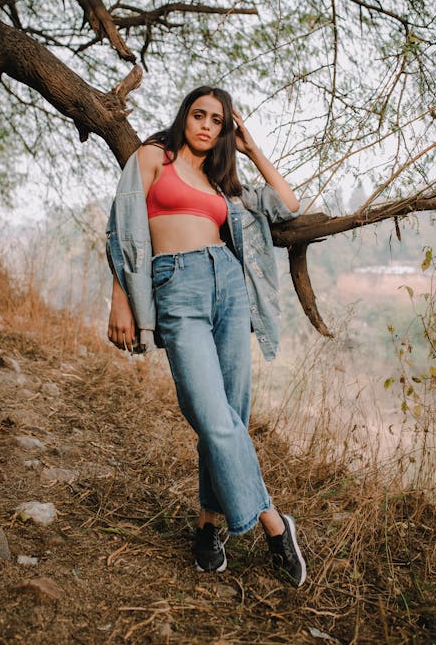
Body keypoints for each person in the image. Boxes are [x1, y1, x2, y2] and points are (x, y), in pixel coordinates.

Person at [106, 86, 306, 586]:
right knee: (214, 418)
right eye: (200, 115)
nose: (207, 126)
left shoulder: (225, 186)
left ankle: (208, 525)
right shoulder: (154, 157)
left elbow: (288, 206)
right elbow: (123, 231)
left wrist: (252, 149)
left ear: (225, 130)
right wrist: (121, 299)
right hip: (176, 289)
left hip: (230, 290)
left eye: (218, 121)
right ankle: (275, 526)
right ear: (184, 116)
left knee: (229, 417)